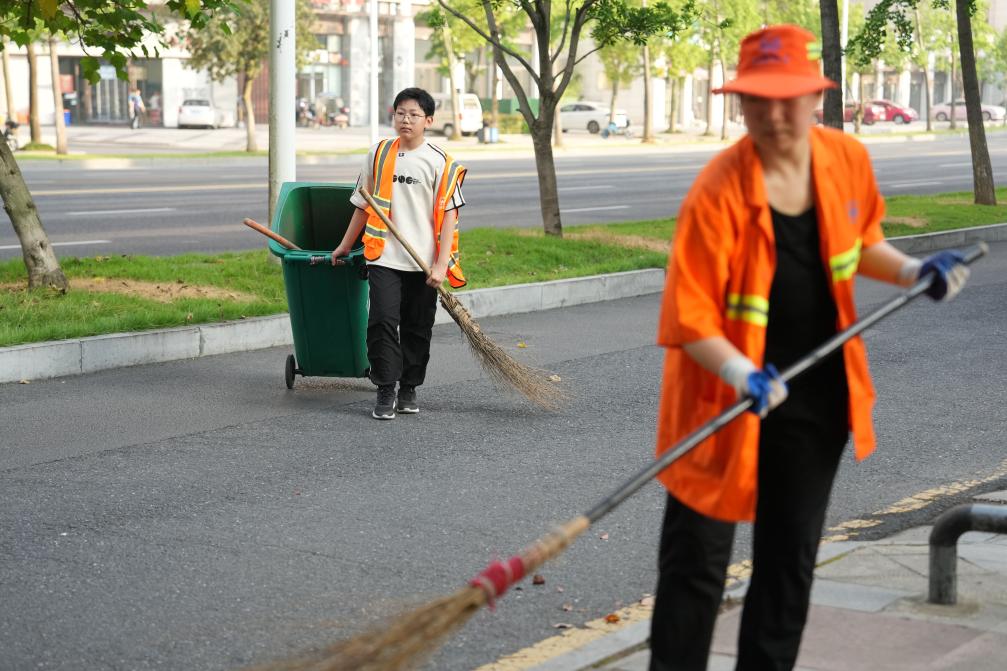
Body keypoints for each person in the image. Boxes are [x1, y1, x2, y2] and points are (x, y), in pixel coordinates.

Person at [649, 25, 970, 671]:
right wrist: (742, 373)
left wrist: (911, 272)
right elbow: (690, 314)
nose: (772, 114)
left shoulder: (844, 159)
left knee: (787, 561)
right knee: (695, 566)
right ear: (739, 104)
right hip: (721, 400)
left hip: (815, 400)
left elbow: (861, 242)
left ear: (813, 97)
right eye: (756, 100)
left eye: (786, 98)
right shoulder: (716, 189)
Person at [330, 87, 466, 420]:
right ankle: (385, 388)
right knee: (382, 322)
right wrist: (346, 245)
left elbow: (450, 215)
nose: (405, 120)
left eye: (414, 114)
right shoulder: (378, 153)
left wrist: (439, 264)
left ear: (428, 121)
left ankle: (409, 387)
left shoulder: (441, 162)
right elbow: (364, 203)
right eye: (400, 113)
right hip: (384, 256)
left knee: (418, 326)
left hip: (423, 262)